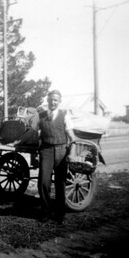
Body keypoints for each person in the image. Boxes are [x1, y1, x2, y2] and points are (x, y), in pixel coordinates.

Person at [34, 90, 76, 224]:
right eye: (51, 99)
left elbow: (72, 137)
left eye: (56, 100)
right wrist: (18, 142)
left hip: (61, 151)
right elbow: (33, 133)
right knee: (43, 182)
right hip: (46, 151)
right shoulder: (40, 116)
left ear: (59, 101)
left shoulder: (65, 116)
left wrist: (72, 151)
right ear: (47, 100)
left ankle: (60, 213)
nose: (53, 102)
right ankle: (45, 212)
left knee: (60, 183)